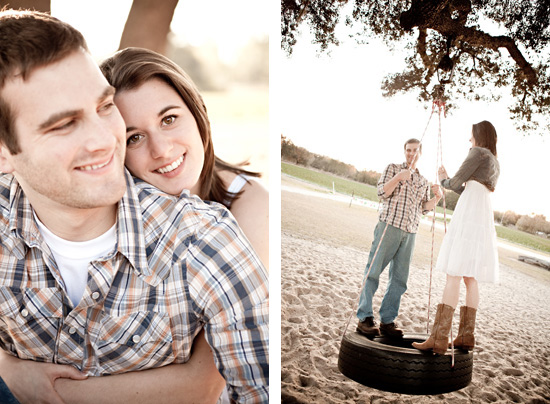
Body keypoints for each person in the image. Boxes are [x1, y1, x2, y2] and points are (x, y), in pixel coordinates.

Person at [0, 9, 268, 404]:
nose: (106, 141)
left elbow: (219, 381)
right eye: (63, 124)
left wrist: (42, 391)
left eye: (105, 107)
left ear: (197, 114)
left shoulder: (213, 232)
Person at [99, 47, 269, 269]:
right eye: (135, 138)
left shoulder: (254, 208)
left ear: (197, 113)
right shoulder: (110, 216)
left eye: (169, 119)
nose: (161, 150)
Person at [413, 120, 500, 355]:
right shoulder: (494, 160)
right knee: (470, 277)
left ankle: (438, 338)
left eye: (471, 135)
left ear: (479, 136)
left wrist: (443, 179)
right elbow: (468, 188)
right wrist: (449, 181)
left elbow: (455, 183)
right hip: (481, 212)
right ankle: (465, 337)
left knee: (454, 273)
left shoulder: (478, 152)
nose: (469, 139)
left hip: (469, 212)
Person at [356, 139, 442, 338]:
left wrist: (437, 198)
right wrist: (398, 178)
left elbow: (423, 209)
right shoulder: (393, 168)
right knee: (373, 272)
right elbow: (381, 192)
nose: (411, 153)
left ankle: (387, 321)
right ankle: (365, 318)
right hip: (389, 227)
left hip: (410, 232)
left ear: (421, 152)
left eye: (415, 150)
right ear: (404, 151)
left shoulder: (423, 180)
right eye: (408, 150)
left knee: (399, 280)